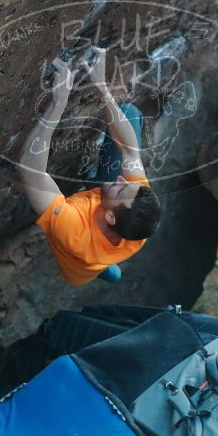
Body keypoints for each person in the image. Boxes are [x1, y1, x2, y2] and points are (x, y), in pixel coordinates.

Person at [17, 46, 161, 286]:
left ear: (112, 217)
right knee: (129, 114)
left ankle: (106, 269)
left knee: (102, 268)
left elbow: (30, 171)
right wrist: (101, 87)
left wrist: (59, 102)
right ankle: (108, 261)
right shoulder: (136, 217)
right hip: (108, 227)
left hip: (80, 261)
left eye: (121, 189)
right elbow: (129, 150)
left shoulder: (74, 232)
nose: (121, 180)